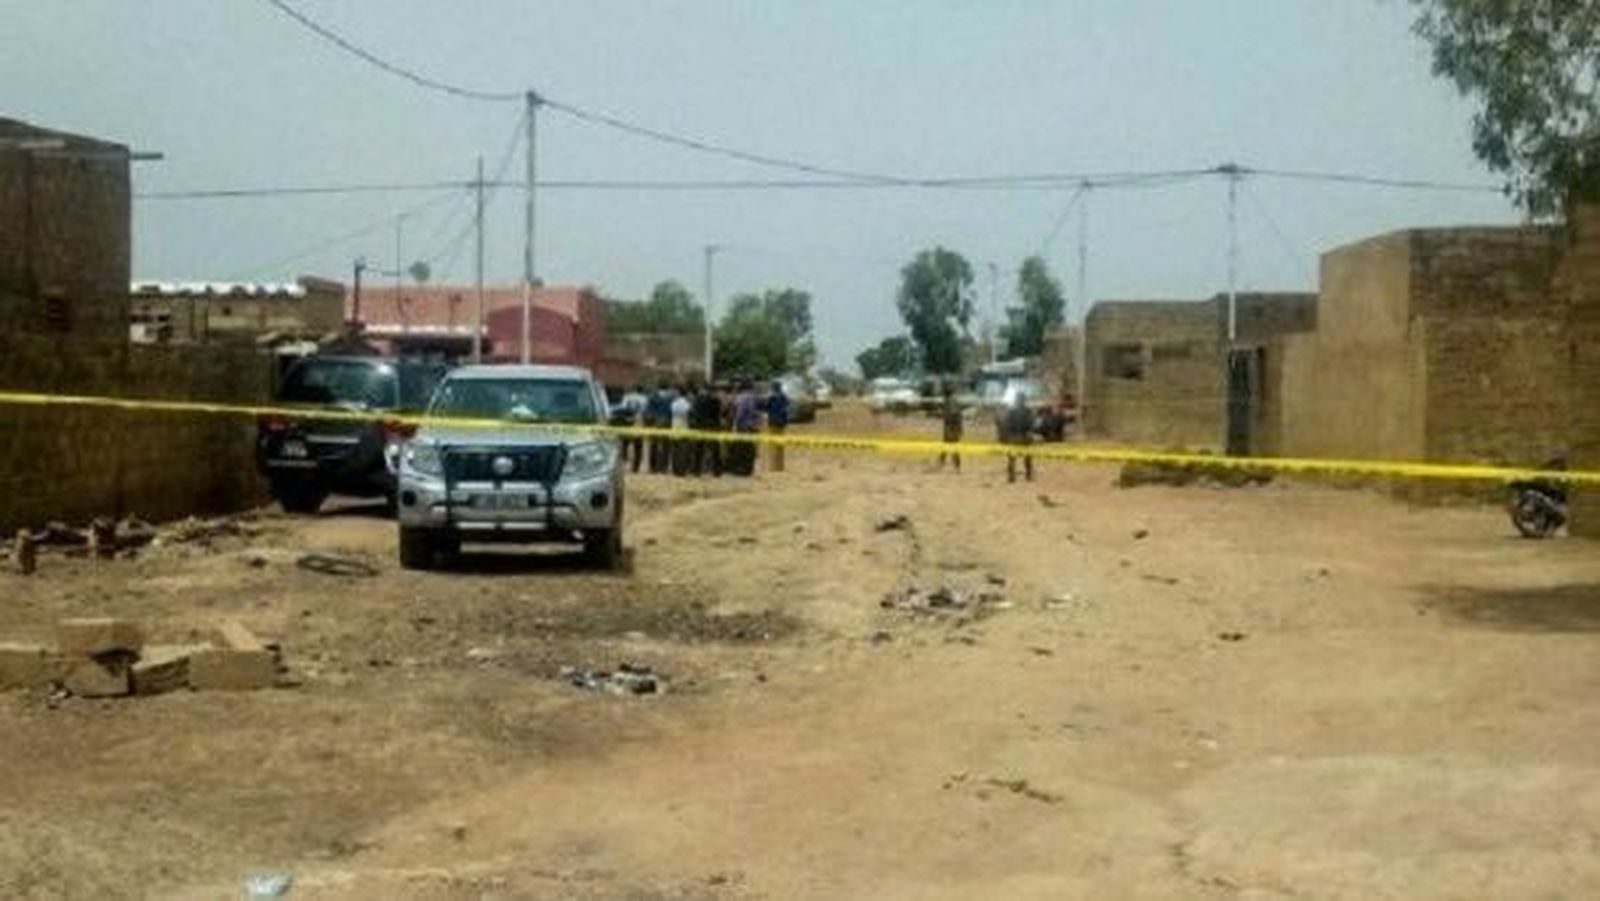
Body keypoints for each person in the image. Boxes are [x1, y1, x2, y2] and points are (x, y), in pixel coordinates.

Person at [999, 390, 1036, 483]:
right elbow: (1031, 424)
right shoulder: (1028, 411)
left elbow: (1006, 425)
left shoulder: (1011, 411)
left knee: (1012, 458)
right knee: (1027, 458)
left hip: (1014, 437)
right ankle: (1028, 475)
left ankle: (1012, 476)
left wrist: (1006, 437)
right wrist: (1030, 433)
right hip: (1024, 436)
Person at [690, 380, 724, 477]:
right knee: (715, 449)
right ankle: (717, 471)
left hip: (701, 426)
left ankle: (696, 470)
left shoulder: (698, 400)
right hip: (713, 426)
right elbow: (718, 415)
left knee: (699, 448)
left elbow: (695, 413)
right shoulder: (715, 401)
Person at [730, 378, 762, 476]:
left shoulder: (741, 397)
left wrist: (735, 424)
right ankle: (749, 469)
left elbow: (739, 412)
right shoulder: (754, 396)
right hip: (753, 425)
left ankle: (741, 469)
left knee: (742, 448)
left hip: (743, 426)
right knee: (750, 448)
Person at [643, 383, 673, 473]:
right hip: (666, 423)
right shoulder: (670, 398)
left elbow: (648, 411)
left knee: (654, 445)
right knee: (666, 446)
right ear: (667, 388)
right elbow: (671, 412)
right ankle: (664, 467)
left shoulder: (652, 397)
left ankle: (653, 467)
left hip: (655, 423)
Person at [618, 383, 648, 473]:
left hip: (627, 422)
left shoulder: (627, 397)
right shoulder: (644, 398)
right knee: (638, 446)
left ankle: (622, 464)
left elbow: (622, 408)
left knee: (624, 444)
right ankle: (635, 467)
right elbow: (645, 411)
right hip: (638, 422)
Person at [765, 380, 792, 473]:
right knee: (780, 445)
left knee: (773, 445)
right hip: (782, 423)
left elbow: (766, 408)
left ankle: (773, 467)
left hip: (772, 422)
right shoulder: (784, 397)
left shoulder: (770, 398)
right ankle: (780, 466)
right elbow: (788, 407)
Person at [670, 384, 693, 477]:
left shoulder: (674, 403)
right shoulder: (688, 404)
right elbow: (690, 415)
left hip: (674, 427)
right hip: (684, 427)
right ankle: (682, 470)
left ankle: (675, 469)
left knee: (675, 450)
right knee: (683, 450)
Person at [938, 383, 963, 472]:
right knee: (947, 446)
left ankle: (956, 466)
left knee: (952, 446)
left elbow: (953, 414)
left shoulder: (950, 401)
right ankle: (943, 463)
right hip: (951, 427)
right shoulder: (950, 401)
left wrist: (944, 416)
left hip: (952, 427)